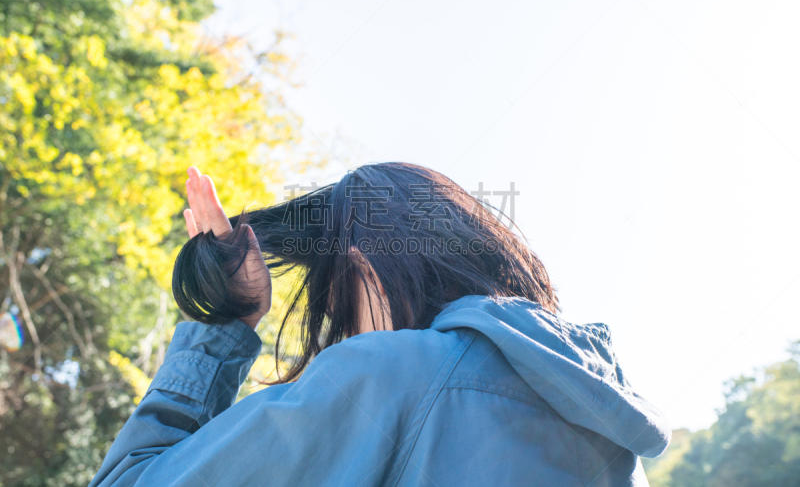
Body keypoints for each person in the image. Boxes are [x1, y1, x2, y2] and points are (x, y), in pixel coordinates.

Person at [89, 162, 670, 486]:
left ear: (365, 268)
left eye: (337, 303)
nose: (343, 334)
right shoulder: (613, 438)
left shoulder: (393, 374)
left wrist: (225, 322)